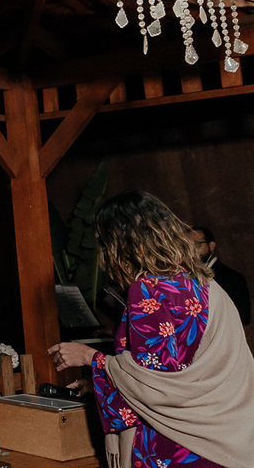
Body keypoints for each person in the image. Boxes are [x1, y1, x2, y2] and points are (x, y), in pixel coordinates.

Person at [48, 191, 254, 467]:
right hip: (224, 434)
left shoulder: (148, 290)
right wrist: (99, 381)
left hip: (176, 442)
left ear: (118, 244)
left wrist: (89, 357)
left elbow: (153, 383)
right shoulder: (204, 282)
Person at [190, 226, 251, 326]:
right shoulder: (183, 277)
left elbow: (243, 318)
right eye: (186, 245)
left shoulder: (233, 278)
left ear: (211, 246)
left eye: (196, 244)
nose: (191, 250)